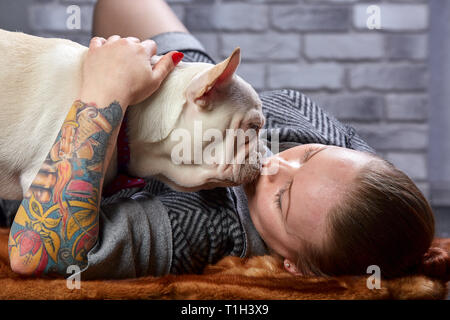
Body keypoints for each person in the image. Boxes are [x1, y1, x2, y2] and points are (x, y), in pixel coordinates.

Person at [1, 0, 448, 281]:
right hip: (202, 92)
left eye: (284, 197)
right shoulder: (347, 167)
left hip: (140, 151)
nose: (276, 165)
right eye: (311, 155)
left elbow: (35, 253)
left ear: (293, 264)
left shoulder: (202, 230)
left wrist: (104, 93)